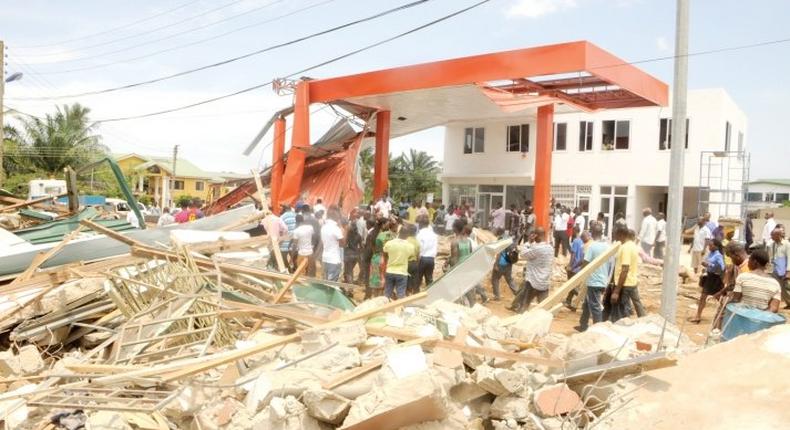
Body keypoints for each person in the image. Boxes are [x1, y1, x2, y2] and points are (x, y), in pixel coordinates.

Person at [509, 226, 554, 313]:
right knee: (544, 307)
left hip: (533, 281)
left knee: (525, 305)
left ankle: (520, 320)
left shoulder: (537, 249)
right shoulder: (550, 248)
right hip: (544, 281)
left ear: (536, 236)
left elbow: (523, 254)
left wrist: (528, 241)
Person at [576, 223, 611, 331]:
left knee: (595, 307)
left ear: (592, 233)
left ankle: (598, 330)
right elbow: (610, 264)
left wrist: (579, 274)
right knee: (587, 303)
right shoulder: (607, 246)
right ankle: (583, 325)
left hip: (594, 281)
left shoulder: (592, 246)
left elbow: (586, 262)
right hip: (602, 279)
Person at [607, 228, 645, 321]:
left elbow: (625, 269)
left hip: (624, 284)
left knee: (621, 311)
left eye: (616, 235)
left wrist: (616, 291)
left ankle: (623, 328)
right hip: (632, 281)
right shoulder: (633, 246)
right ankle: (645, 322)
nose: (616, 237)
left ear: (622, 235)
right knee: (637, 304)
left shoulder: (625, 248)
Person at [689, 239, 726, 323]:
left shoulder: (718, 255)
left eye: (711, 245)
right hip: (709, 277)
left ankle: (725, 313)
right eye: (709, 245)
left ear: (716, 246)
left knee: (719, 298)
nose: (709, 247)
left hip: (715, 279)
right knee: (703, 297)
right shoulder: (710, 254)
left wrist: (710, 265)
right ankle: (698, 316)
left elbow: (722, 267)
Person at [383, 226, 413, 299]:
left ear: (398, 233)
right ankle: (400, 309)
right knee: (401, 295)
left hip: (390, 270)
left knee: (387, 293)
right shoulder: (410, 246)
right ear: (408, 235)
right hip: (402, 272)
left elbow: (385, 252)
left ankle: (385, 308)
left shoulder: (390, 243)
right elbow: (410, 256)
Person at [563, 228, 588, 310]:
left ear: (575, 231)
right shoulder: (583, 242)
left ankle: (584, 299)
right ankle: (568, 300)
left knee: (572, 286)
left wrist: (570, 266)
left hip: (574, 267)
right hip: (580, 266)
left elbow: (573, 255)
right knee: (573, 284)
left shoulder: (576, 241)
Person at [766, 227, 790, 308]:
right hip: (774, 269)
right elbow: (771, 258)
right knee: (773, 286)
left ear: (778, 235)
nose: (771, 237)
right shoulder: (772, 244)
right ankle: (770, 303)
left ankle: (789, 302)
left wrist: (788, 271)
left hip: (783, 270)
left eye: (772, 235)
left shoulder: (786, 244)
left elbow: (789, 257)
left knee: (785, 288)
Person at [320, 206, 345, 282]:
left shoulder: (323, 227)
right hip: (334, 260)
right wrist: (344, 228)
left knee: (325, 283)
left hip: (325, 258)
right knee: (332, 286)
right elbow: (343, 244)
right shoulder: (336, 229)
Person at [491, 228, 517, 301]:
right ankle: (517, 293)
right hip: (509, 263)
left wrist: (496, 264)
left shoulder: (501, 239)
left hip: (501, 263)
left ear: (498, 232)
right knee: (509, 280)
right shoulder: (509, 238)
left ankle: (497, 296)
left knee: (495, 279)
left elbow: (499, 253)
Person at [416, 215, 438, 290]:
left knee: (418, 279)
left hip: (422, 259)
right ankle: (430, 296)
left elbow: (419, 249)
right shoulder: (434, 235)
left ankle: (416, 296)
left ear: (420, 224)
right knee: (429, 279)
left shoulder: (419, 235)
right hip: (431, 259)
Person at [301, 205, 322, 276]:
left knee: (302, 265)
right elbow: (318, 235)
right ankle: (311, 279)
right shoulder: (315, 220)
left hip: (303, 246)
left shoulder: (301, 220)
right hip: (313, 245)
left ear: (302, 211)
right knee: (312, 265)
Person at [343, 213, 363, 284]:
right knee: (350, 270)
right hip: (356, 255)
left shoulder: (348, 235)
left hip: (348, 254)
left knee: (349, 271)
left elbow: (344, 244)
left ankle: (350, 288)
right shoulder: (359, 236)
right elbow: (361, 247)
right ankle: (347, 284)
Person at [279, 204, 297, 270]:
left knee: (285, 260)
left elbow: (280, 230)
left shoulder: (282, 217)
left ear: (284, 209)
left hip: (285, 243)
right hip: (295, 242)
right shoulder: (296, 215)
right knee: (295, 260)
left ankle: (288, 271)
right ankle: (295, 271)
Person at [405, 224, 421, 295]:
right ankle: (415, 294)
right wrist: (417, 263)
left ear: (407, 231)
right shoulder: (417, 242)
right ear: (415, 232)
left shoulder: (405, 241)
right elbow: (418, 255)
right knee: (415, 280)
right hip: (414, 263)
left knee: (406, 279)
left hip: (406, 263)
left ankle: (407, 293)